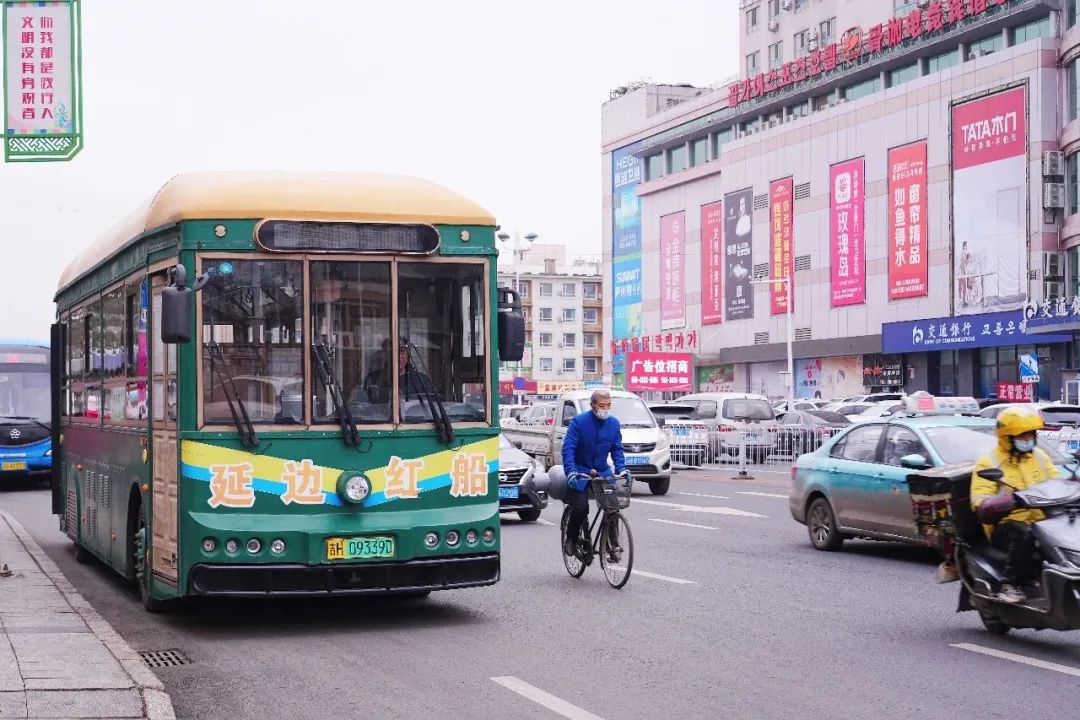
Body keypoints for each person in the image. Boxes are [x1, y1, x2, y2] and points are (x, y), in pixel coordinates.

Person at [970, 406, 1056, 603]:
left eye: (1030, 434)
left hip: (1042, 521)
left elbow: (1055, 481)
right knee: (1023, 533)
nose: (1028, 439)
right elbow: (979, 500)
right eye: (1022, 435)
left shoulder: (1040, 457)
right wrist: (1007, 501)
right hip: (1006, 525)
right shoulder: (989, 462)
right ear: (1007, 437)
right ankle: (1011, 585)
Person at [561, 390, 626, 558]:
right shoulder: (579, 422)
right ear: (593, 406)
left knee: (613, 507)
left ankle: (613, 545)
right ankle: (571, 538)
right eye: (601, 406)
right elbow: (568, 449)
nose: (605, 409)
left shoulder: (614, 424)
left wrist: (622, 469)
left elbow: (617, 449)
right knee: (581, 507)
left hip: (603, 472)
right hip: (580, 472)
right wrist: (571, 472)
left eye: (608, 406)